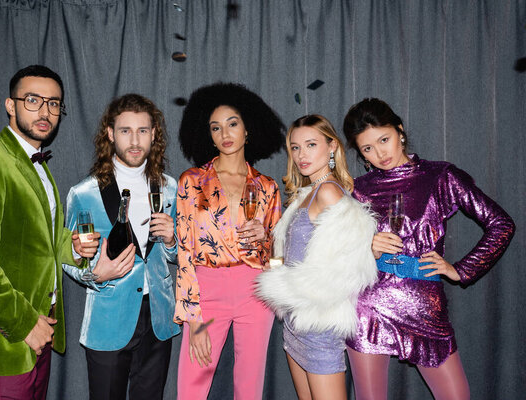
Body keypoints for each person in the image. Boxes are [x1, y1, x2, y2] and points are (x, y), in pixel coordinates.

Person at [341, 98, 515, 400]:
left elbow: (501, 224)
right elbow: (332, 253)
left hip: (424, 304)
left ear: (400, 131)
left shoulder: (440, 176)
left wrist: (460, 269)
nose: (380, 153)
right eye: (368, 148)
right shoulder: (358, 188)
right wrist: (363, 246)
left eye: (384, 139)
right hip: (368, 305)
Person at [0, 65, 95, 399]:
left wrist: (72, 247)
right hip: (5, 338)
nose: (45, 111)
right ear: (10, 106)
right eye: (33, 100)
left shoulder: (38, 166)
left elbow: (45, 237)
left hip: (42, 333)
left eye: (54, 103)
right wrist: (25, 323)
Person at [62, 93, 181, 400]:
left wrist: (171, 240)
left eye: (142, 130)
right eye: (125, 131)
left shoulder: (169, 187)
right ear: (110, 134)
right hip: (108, 317)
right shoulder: (84, 193)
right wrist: (93, 271)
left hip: (158, 317)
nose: (135, 140)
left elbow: (178, 254)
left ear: (154, 134)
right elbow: (68, 257)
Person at [255, 114, 378, 400]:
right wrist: (273, 261)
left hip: (318, 326)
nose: (302, 155)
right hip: (296, 324)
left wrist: (285, 286)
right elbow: (294, 257)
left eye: (311, 144)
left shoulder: (329, 192)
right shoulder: (307, 194)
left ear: (332, 146)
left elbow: (344, 271)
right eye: (295, 147)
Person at [174, 82, 285, 399]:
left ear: (247, 128)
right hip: (207, 288)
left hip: (255, 289)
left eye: (232, 123)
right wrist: (192, 316)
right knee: (192, 386)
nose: (225, 133)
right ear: (208, 135)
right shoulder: (192, 181)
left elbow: (277, 256)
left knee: (250, 387)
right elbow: (184, 251)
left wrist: (266, 240)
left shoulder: (267, 186)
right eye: (216, 127)